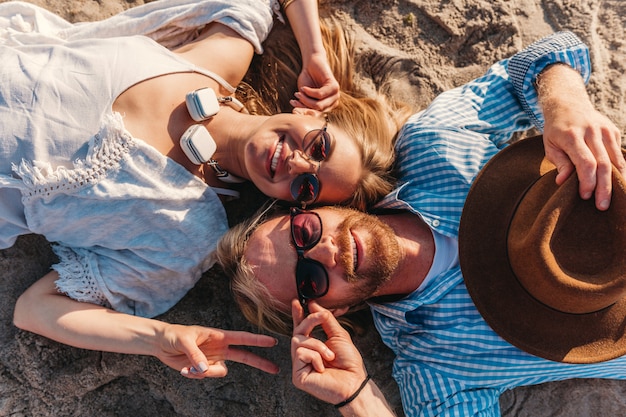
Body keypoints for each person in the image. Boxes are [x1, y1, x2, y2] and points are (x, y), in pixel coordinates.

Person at [216, 31, 626, 415]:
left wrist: (564, 104)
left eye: (304, 234)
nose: (325, 251)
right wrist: (357, 399)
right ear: (334, 311)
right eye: (310, 280)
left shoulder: (432, 145)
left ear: (313, 205)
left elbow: (552, 53)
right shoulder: (436, 365)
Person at [6, 0, 409, 378]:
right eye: (320, 146)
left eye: (307, 186)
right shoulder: (223, 56)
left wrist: (157, 338)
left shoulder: (186, 235)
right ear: (309, 112)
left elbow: (35, 309)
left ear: (291, 208)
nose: (298, 163)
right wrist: (314, 53)